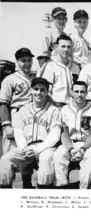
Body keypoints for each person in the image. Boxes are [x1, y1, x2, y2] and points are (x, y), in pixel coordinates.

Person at [0, 78, 61, 189]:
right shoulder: (22, 110)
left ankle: (44, 193)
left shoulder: (54, 110)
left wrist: (37, 150)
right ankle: (5, 197)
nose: (39, 92)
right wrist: (25, 149)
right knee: (5, 160)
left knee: (46, 159)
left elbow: (55, 135)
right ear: (31, 91)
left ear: (47, 92)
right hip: (26, 148)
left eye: (42, 90)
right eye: (36, 89)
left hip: (46, 147)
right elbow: (18, 132)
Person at [53, 81, 91, 189]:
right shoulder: (65, 109)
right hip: (70, 144)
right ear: (72, 92)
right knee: (58, 155)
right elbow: (64, 134)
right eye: (77, 91)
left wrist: (83, 149)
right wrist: (71, 149)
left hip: (87, 144)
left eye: (82, 92)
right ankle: (62, 188)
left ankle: (84, 189)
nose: (79, 94)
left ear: (86, 93)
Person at [0, 48, 35, 188]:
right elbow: (3, 103)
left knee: (27, 151)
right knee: (10, 154)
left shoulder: (34, 78)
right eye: (23, 60)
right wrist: (6, 124)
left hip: (31, 118)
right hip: (16, 115)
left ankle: (27, 184)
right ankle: (5, 186)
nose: (27, 63)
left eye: (29, 60)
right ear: (17, 62)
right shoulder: (10, 79)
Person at [38, 35, 80, 107]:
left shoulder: (75, 67)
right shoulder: (50, 66)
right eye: (63, 46)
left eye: (68, 47)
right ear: (56, 47)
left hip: (72, 107)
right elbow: (46, 91)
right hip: (56, 105)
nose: (66, 49)